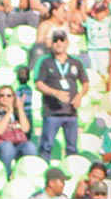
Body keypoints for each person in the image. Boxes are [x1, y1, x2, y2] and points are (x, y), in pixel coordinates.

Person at [36, 30, 89, 160]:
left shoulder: (75, 62)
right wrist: (55, 93)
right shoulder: (45, 62)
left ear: (67, 43)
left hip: (71, 112)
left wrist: (79, 96)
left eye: (61, 40)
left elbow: (85, 83)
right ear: (51, 44)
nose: (58, 43)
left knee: (72, 148)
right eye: (55, 40)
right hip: (52, 112)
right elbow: (39, 84)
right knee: (46, 146)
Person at [0, 84, 36, 178]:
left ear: (14, 98)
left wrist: (20, 108)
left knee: (30, 146)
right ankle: (6, 176)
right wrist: (9, 112)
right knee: (7, 147)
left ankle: (29, 176)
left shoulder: (18, 113)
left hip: (17, 145)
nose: (5, 98)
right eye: (2, 95)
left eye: (9, 95)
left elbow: (25, 129)